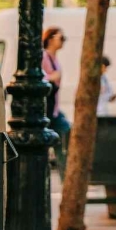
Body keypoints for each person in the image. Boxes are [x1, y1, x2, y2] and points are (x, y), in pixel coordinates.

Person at [42, 27, 70, 174]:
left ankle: (66, 176)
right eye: (61, 38)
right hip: (46, 109)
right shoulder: (44, 57)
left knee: (63, 138)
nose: (63, 41)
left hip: (53, 109)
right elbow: (37, 78)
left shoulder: (54, 58)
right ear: (51, 39)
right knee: (62, 137)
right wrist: (51, 77)